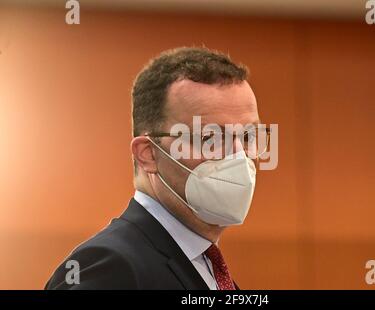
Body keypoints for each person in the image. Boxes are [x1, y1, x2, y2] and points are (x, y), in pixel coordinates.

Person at [45, 47, 267, 289]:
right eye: (209, 138)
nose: (238, 155)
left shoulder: (207, 266)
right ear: (148, 154)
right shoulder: (111, 268)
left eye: (248, 136)